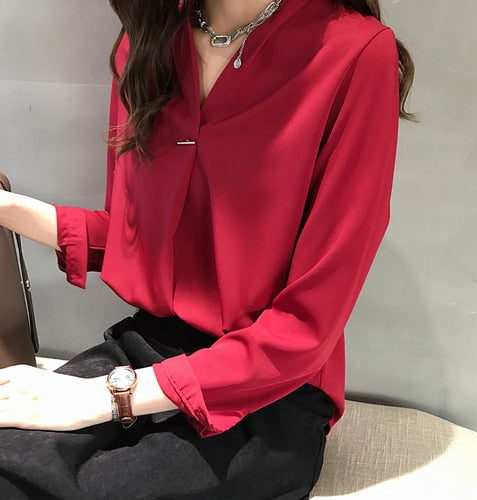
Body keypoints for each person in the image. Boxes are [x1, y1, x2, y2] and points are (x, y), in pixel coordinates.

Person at [0, 0, 414, 498]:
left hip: (271, 394)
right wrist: (8, 208)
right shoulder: (151, 37)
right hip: (149, 348)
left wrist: (106, 396)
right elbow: (139, 238)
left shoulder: (355, 52)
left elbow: (309, 323)